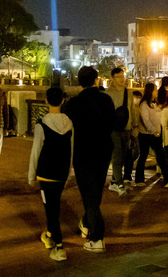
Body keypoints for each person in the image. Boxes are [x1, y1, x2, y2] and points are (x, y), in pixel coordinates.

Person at [63, 65, 115, 253]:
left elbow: (64, 119)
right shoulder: (106, 99)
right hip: (104, 150)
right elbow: (113, 122)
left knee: (88, 194)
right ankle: (86, 223)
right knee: (96, 191)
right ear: (96, 80)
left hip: (84, 152)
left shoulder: (75, 103)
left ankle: (97, 237)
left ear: (79, 82)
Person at [28, 86, 73, 262]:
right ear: (63, 101)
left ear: (46, 101)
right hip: (61, 171)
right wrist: (69, 173)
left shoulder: (42, 124)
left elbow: (36, 151)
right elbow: (71, 150)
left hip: (46, 172)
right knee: (55, 205)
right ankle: (48, 234)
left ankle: (59, 246)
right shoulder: (69, 124)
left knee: (51, 209)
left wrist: (31, 175)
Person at [134, 82, 168, 185]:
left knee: (160, 155)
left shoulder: (152, 104)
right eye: (155, 89)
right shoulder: (144, 104)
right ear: (151, 91)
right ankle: (139, 179)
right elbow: (146, 120)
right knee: (144, 155)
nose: (157, 91)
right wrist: (154, 131)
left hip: (154, 134)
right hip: (147, 134)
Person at [107, 67, 134, 196]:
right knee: (117, 156)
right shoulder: (108, 94)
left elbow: (132, 110)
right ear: (112, 78)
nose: (122, 79)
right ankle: (119, 183)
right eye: (118, 77)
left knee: (123, 155)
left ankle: (114, 180)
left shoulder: (129, 92)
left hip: (127, 127)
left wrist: (135, 126)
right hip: (113, 129)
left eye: (123, 76)